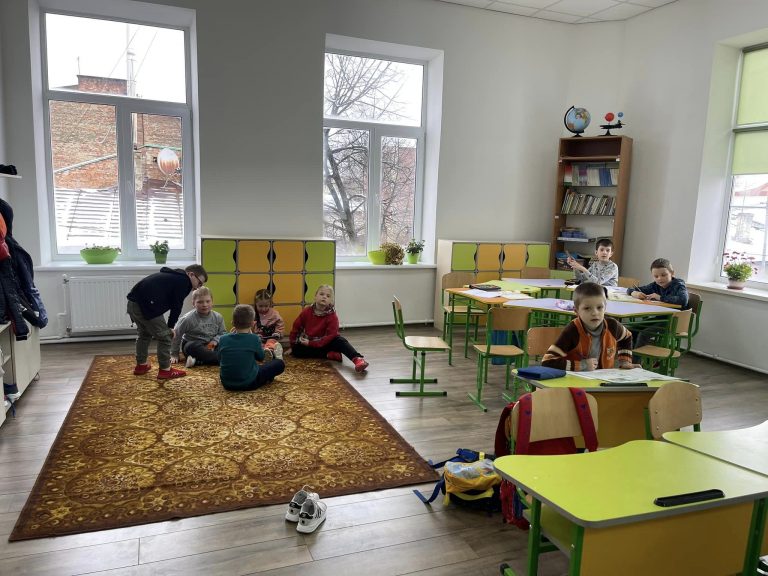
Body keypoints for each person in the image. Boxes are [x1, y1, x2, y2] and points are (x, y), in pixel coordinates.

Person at [127, 264, 207, 379]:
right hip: (146, 305)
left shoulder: (174, 276)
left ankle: (141, 366)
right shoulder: (184, 282)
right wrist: (170, 327)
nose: (198, 287)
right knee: (165, 337)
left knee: (144, 334)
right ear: (191, 274)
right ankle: (165, 370)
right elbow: (176, 306)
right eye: (199, 283)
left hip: (133, 304)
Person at [542, 282, 635, 371]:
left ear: (605, 307)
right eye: (587, 308)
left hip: (604, 379)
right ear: (576, 311)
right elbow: (547, 361)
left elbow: (627, 337)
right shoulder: (572, 331)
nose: (595, 313)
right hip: (576, 379)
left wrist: (625, 361)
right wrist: (582, 365)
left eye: (599, 307)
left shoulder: (612, 326)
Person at [290, 285, 369, 373]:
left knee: (340, 341)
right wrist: (293, 345)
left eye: (328, 296)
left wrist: (312, 343)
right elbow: (296, 328)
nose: (324, 297)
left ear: (331, 301)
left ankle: (357, 359)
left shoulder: (332, 315)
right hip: (311, 342)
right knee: (297, 351)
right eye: (321, 294)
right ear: (315, 296)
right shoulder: (306, 311)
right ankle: (329, 354)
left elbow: (331, 336)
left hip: (326, 342)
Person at [217, 304, 285, 391]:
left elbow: (219, 358)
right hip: (249, 383)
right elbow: (261, 358)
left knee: (253, 366)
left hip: (227, 384)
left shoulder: (223, 339)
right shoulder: (254, 338)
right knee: (279, 363)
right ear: (253, 324)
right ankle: (273, 358)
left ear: (232, 323)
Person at [628, 258, 689, 348]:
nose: (660, 278)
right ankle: (628, 354)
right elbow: (631, 289)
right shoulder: (655, 285)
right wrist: (634, 293)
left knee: (643, 334)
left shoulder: (678, 284)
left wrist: (659, 297)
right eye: (656, 276)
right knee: (631, 330)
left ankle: (636, 357)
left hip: (674, 321)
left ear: (672, 273)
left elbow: (683, 300)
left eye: (664, 275)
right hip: (661, 318)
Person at [170, 286, 227, 368]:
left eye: (208, 301)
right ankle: (223, 359)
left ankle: (198, 361)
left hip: (211, 345)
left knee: (226, 343)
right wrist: (174, 354)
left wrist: (214, 342)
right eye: (200, 302)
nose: (204, 305)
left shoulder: (218, 317)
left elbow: (222, 333)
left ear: (212, 302)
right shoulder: (187, 319)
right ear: (193, 303)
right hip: (194, 346)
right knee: (190, 347)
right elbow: (177, 335)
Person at [252, 289, 285, 361]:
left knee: (271, 342)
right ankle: (267, 353)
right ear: (256, 304)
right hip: (259, 339)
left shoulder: (274, 314)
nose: (263, 309)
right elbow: (249, 328)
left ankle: (271, 351)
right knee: (257, 345)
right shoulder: (253, 315)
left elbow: (280, 325)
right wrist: (254, 335)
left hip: (271, 337)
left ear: (270, 304)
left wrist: (278, 333)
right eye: (260, 306)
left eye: (266, 306)